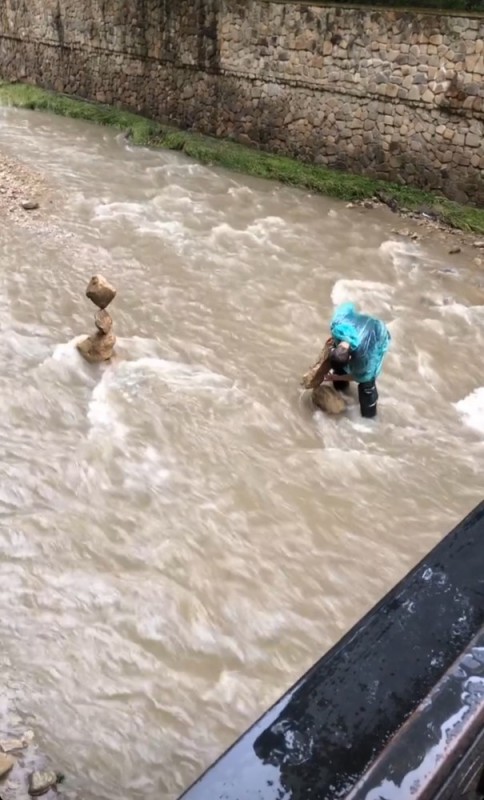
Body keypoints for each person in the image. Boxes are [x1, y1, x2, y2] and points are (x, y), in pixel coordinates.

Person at [323, 302, 391, 418]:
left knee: (366, 384)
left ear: (350, 358)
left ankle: (369, 417)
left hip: (377, 332)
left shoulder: (364, 356)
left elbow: (360, 377)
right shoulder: (337, 324)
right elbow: (348, 305)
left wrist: (335, 377)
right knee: (339, 366)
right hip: (360, 324)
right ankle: (341, 391)